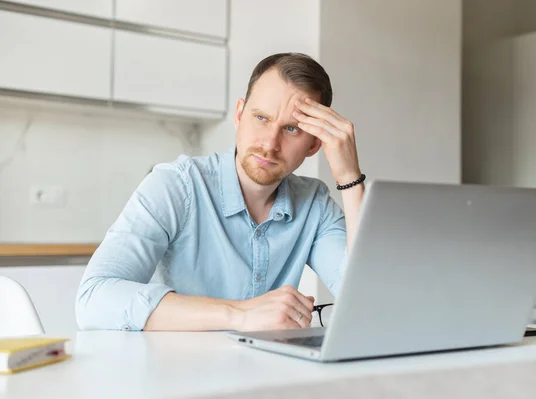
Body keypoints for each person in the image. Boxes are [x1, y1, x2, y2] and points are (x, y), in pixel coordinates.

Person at [76, 53, 364, 332]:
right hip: (176, 374)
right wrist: (239, 314)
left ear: (314, 145)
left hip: (270, 372)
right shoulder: (176, 185)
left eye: (291, 128)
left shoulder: (314, 204)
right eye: (261, 118)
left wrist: (350, 179)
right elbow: (94, 298)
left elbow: (367, 300)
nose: (270, 144)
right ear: (239, 114)